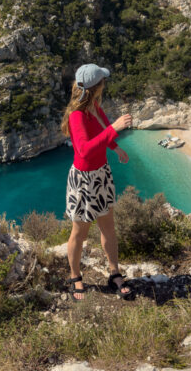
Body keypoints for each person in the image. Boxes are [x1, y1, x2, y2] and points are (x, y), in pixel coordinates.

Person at [60, 63, 134, 301]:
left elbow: (102, 133)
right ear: (96, 87)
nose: (105, 84)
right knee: (79, 233)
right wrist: (114, 129)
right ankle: (75, 276)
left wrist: (116, 148)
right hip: (83, 180)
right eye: (103, 81)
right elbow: (83, 150)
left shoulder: (95, 107)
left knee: (108, 229)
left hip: (101, 174)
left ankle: (114, 273)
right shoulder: (77, 115)